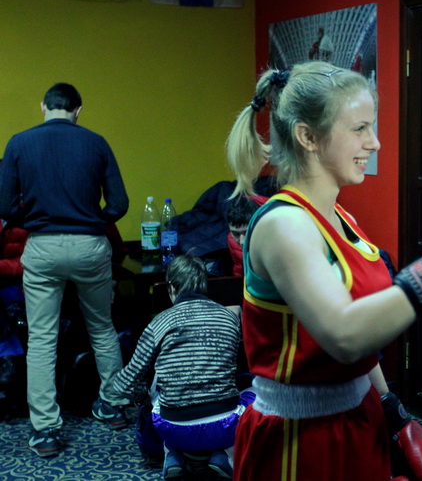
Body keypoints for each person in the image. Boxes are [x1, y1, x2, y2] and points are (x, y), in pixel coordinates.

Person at [225, 61, 422, 480]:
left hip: (358, 415)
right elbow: (345, 335)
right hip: (300, 439)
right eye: (360, 129)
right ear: (307, 136)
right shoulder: (285, 226)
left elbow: (364, 329)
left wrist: (390, 407)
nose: (375, 142)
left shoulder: (341, 218)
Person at [0, 83, 130, 457]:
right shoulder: (96, 142)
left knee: (42, 337)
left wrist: (35, 220)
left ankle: (46, 430)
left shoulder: (19, 143)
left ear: (43, 106)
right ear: (78, 110)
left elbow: (5, 207)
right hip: (91, 246)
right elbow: (119, 203)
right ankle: (113, 405)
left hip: (43, 247)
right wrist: (94, 220)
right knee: (102, 327)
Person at [111, 254, 250, 479]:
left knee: (157, 383)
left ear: (172, 288)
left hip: (174, 428)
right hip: (224, 427)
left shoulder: (160, 322)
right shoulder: (228, 317)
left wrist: (141, 397)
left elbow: (125, 383)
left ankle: (173, 453)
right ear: (204, 285)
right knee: (254, 389)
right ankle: (224, 454)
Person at [224, 194, 267, 278]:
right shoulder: (231, 239)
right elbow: (240, 269)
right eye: (235, 234)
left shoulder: (279, 234)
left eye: (247, 232)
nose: (242, 241)